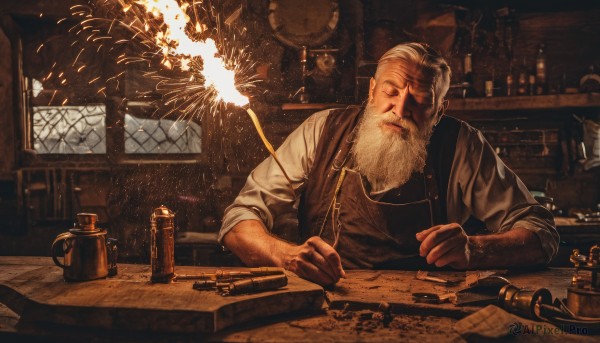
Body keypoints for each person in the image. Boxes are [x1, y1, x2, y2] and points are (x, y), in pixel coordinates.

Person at [219, 42, 559, 286]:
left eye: (420, 100)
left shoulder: (461, 145)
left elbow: (541, 233)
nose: (400, 109)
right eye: (390, 91)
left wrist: (475, 248)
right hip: (322, 304)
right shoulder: (321, 131)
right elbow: (239, 218)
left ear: (440, 110)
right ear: (371, 91)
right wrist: (286, 256)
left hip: (427, 313)